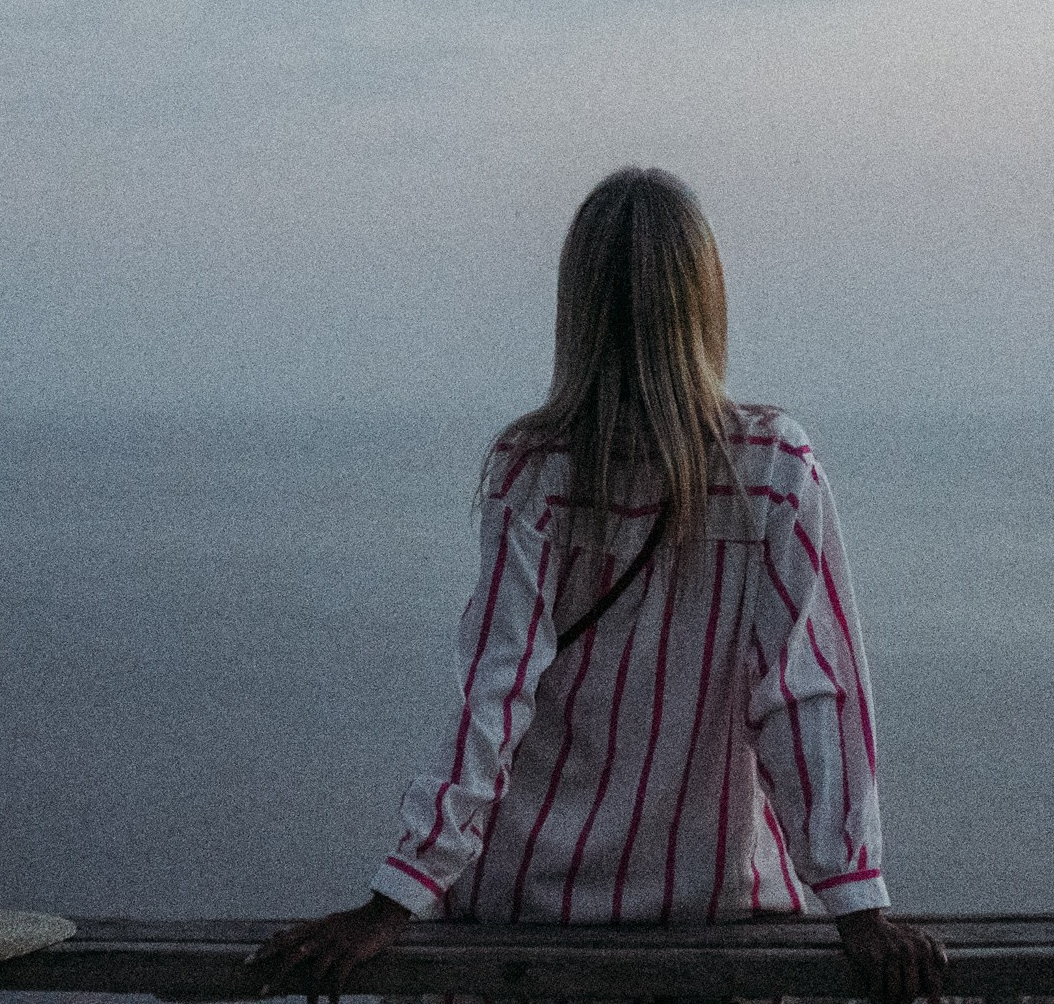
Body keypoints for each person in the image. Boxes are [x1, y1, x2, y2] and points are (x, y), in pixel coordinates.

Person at [249, 168, 943, 1004]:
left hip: (525, 907)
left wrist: (399, 890)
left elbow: (493, 695)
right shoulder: (773, 472)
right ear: (705, 301)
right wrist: (857, 902)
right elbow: (808, 698)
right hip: (708, 906)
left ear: (576, 309)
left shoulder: (532, 470)